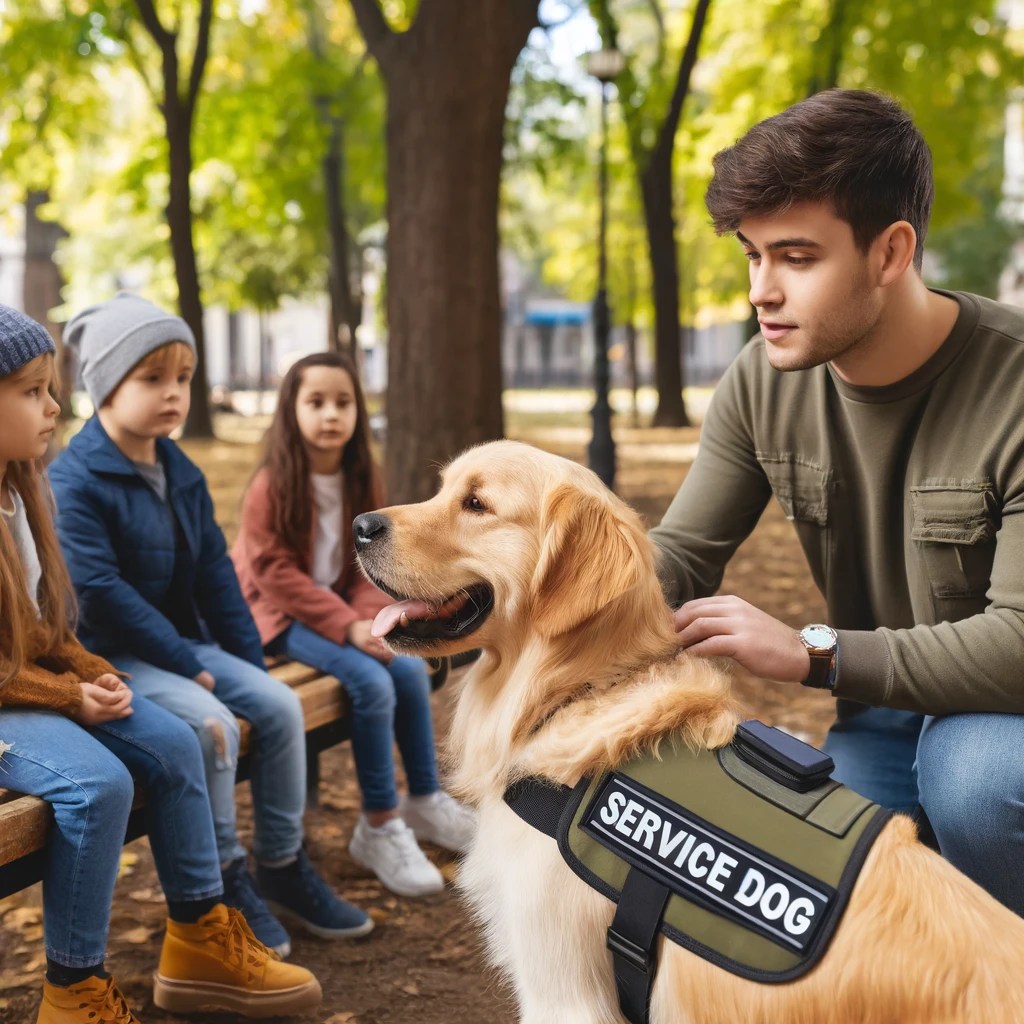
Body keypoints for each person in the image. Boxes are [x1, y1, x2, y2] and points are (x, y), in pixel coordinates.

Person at [648, 87, 1024, 917]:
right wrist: (505, 583)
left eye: (797, 257)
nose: (761, 291)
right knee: (819, 872)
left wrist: (811, 652)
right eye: (752, 255)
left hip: (1005, 719)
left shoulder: (1016, 384)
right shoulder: (760, 381)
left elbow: (1019, 644)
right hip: (886, 716)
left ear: (891, 252)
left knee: (973, 779)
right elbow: (675, 561)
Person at [0, 305, 320, 1023]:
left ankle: (200, 937)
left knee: (175, 742)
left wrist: (89, 669)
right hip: (10, 708)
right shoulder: (69, 480)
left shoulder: (22, 493)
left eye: (52, 388)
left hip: (32, 691)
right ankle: (72, 988)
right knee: (98, 784)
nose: (55, 405)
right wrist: (70, 698)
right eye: (31, 392)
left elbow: (44, 627)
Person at [48, 294, 371, 958]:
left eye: (183, 379)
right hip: (111, 656)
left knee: (278, 705)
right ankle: (225, 882)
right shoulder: (75, 480)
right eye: (152, 378)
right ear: (106, 384)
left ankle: (281, 864)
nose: (174, 395)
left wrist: (247, 659)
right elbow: (101, 594)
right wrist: (192, 665)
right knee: (214, 726)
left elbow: (217, 577)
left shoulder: (178, 468)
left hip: (179, 645)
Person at [231, 352, 475, 898]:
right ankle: (380, 823)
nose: (330, 414)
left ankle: (424, 800)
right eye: (315, 402)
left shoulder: (361, 476)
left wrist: (372, 619)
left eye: (343, 402)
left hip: (339, 609)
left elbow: (369, 560)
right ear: (290, 411)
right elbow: (273, 573)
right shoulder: (272, 485)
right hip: (279, 616)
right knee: (367, 682)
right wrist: (347, 627)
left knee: (408, 671)